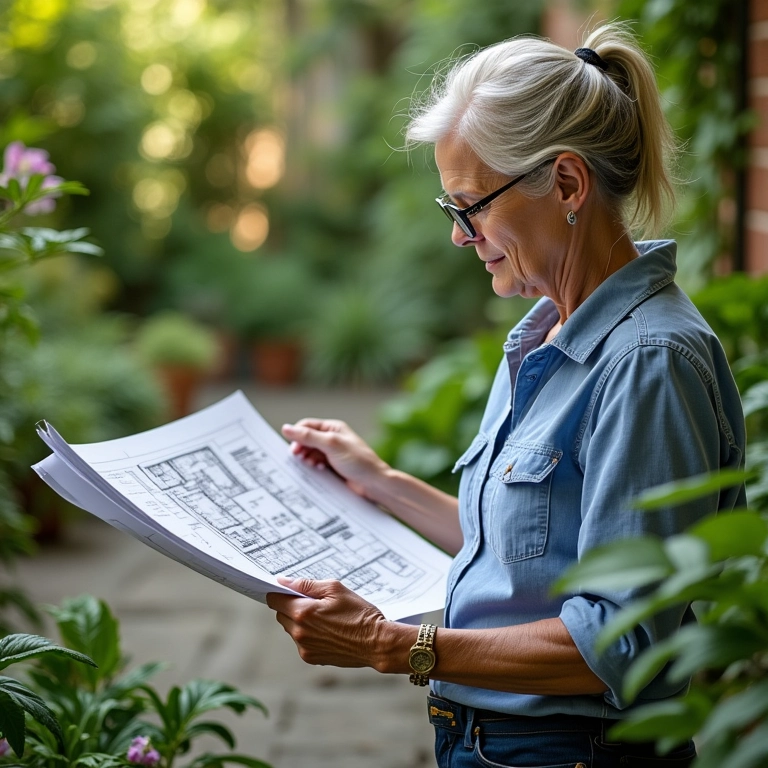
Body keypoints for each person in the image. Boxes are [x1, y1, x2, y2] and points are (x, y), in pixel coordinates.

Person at [266, 23, 746, 768]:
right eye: (452, 208)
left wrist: (392, 645)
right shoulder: (545, 333)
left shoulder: (647, 363)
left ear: (567, 184)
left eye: (473, 206)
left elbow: (616, 641)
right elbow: (533, 553)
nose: (461, 236)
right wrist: (381, 482)